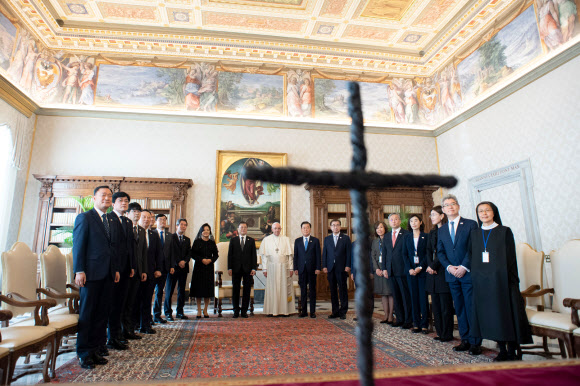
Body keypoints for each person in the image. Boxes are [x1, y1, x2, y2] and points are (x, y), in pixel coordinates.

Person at [470, 201, 533, 361]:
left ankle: (512, 350)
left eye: (487, 210)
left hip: (504, 283)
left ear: (494, 212)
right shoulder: (475, 234)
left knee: (506, 315)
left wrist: (506, 280)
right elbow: (474, 258)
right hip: (484, 284)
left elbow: (510, 259)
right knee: (493, 317)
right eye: (480, 211)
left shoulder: (504, 231)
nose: (484, 214)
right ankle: (502, 349)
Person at [73, 186, 120, 369]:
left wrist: (114, 269)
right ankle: (84, 352)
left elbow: (112, 248)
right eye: (103, 195)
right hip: (90, 274)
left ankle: (96, 349)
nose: (107, 198)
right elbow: (78, 246)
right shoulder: (85, 217)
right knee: (88, 313)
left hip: (107, 273)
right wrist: (79, 270)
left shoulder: (109, 220)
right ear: (94, 198)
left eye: (109, 196)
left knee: (102, 313)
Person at [437, 194, 481, 355]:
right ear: (443, 210)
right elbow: (440, 252)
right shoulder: (441, 230)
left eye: (453, 204)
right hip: (451, 275)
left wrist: (464, 266)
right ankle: (465, 340)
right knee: (460, 308)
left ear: (458, 206)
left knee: (471, 307)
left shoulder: (470, 224)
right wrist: (449, 267)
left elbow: (473, 248)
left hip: (468, 273)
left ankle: (476, 341)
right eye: (447, 205)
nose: (450, 207)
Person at [107, 191, 136, 350]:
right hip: (114, 269)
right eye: (120, 201)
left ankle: (119, 335)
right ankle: (112, 338)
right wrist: (116, 268)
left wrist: (131, 266)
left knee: (122, 303)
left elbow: (129, 246)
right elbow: (112, 247)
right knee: (113, 304)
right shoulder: (108, 219)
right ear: (113, 203)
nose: (124, 203)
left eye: (126, 201)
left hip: (126, 269)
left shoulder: (127, 221)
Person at [425, 206, 454, 342]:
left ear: (442, 216)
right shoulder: (431, 233)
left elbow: (445, 251)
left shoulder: (448, 230)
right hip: (432, 272)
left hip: (443, 270)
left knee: (445, 305)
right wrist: (430, 265)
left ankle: (447, 334)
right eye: (430, 215)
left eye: (434, 214)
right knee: (436, 305)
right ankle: (440, 332)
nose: (431, 217)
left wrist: (435, 265)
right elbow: (428, 251)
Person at [382, 213, 412, 329]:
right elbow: (385, 253)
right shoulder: (387, 235)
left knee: (405, 296)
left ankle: (408, 320)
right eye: (391, 220)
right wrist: (384, 268)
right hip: (391, 270)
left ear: (400, 221)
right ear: (389, 222)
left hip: (403, 270)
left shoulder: (406, 234)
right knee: (396, 296)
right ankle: (399, 318)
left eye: (395, 219)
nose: (393, 221)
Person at [259, 222, 296, 316]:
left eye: (279, 228)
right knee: (272, 288)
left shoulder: (286, 239)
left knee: (284, 287)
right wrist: (264, 269)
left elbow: (290, 257)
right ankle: (272, 310)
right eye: (275, 228)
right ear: (271, 229)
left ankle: (284, 311)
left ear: (281, 229)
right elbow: (264, 257)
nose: (277, 230)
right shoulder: (266, 240)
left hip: (284, 267)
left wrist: (291, 269)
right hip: (271, 267)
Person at [123, 202, 147, 341]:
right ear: (128, 213)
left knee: (133, 302)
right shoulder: (125, 228)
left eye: (139, 211)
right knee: (124, 302)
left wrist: (143, 270)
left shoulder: (141, 230)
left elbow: (143, 253)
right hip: (126, 271)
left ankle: (130, 329)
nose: (136, 213)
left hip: (138, 272)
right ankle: (122, 331)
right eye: (134, 211)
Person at [403, 215, 429, 334]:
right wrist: (410, 269)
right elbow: (404, 255)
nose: (413, 223)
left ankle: (424, 324)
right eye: (411, 221)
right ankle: (416, 323)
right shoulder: (406, 237)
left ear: (420, 222)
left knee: (423, 298)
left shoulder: (426, 237)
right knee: (413, 298)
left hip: (422, 272)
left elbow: (427, 255)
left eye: (416, 221)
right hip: (410, 273)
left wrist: (419, 267)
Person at [137, 210, 163, 334]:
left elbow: (159, 253)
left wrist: (158, 269)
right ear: (139, 218)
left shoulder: (153, 234)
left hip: (151, 272)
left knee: (147, 300)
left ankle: (145, 325)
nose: (147, 219)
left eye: (149, 217)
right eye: (144, 217)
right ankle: (134, 324)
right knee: (136, 300)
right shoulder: (135, 232)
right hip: (137, 273)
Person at [322, 219, 352, 320]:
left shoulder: (346, 238)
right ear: (330, 227)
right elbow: (325, 253)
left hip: (342, 268)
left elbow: (349, 253)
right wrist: (324, 266)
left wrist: (348, 265)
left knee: (343, 290)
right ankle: (335, 311)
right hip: (330, 268)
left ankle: (343, 311)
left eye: (337, 225)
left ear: (340, 226)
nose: (335, 227)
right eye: (333, 225)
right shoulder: (327, 239)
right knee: (333, 290)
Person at [227, 222, 257, 318]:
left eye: (245, 227)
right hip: (235, 269)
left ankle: (244, 311)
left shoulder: (251, 241)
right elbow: (230, 255)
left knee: (246, 290)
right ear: (238, 229)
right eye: (241, 227)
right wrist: (229, 267)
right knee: (235, 290)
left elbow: (253, 256)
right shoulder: (233, 240)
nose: (243, 229)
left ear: (247, 229)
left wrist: (254, 268)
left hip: (247, 269)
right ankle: (236, 310)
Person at [293, 221, 321, 318]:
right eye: (304, 228)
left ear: (310, 229)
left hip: (312, 269)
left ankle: (312, 311)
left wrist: (318, 267)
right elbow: (295, 256)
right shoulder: (297, 241)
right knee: (303, 291)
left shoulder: (315, 241)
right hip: (301, 269)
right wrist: (295, 268)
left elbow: (318, 256)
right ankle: (304, 311)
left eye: (307, 227)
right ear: (301, 229)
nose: (305, 229)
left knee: (312, 291)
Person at [190, 223, 219, 318]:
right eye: (204, 230)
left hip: (209, 268)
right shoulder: (197, 242)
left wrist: (210, 260)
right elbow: (193, 254)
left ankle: (205, 310)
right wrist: (201, 260)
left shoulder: (212, 242)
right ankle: (198, 310)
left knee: (207, 290)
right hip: (199, 267)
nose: (206, 231)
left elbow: (216, 255)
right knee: (198, 290)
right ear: (201, 231)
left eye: (208, 230)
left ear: (210, 231)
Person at [165, 219, 192, 320]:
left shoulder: (187, 239)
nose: (183, 226)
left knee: (181, 291)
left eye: (185, 225)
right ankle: (168, 313)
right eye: (181, 224)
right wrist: (178, 262)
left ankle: (180, 312)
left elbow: (189, 253)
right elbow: (170, 252)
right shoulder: (170, 237)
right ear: (177, 226)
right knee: (169, 291)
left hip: (183, 268)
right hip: (173, 268)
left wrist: (184, 261)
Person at [370, 221, 394, 324]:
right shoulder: (375, 242)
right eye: (377, 228)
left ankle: (391, 316)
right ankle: (385, 314)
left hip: (388, 270)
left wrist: (386, 269)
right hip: (379, 271)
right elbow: (373, 256)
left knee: (390, 293)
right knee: (383, 294)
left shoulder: (389, 239)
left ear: (385, 228)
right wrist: (376, 269)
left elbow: (391, 256)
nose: (379, 229)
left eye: (381, 227)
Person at [154, 214, 174, 324]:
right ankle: (149, 315)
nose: (162, 222)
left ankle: (157, 315)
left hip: (165, 268)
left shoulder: (169, 235)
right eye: (160, 220)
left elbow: (171, 252)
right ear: (156, 221)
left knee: (160, 292)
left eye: (164, 220)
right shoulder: (152, 234)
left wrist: (171, 266)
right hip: (153, 268)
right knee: (152, 292)